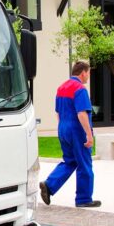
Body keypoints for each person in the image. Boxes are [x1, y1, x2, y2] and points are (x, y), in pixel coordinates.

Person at [40, 60, 100, 208]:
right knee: (85, 163)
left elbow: (58, 112)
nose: (88, 77)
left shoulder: (61, 88)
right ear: (83, 72)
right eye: (88, 73)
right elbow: (81, 114)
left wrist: (62, 129)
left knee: (70, 161)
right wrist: (89, 134)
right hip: (76, 130)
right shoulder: (79, 89)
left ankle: (49, 185)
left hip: (63, 128)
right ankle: (84, 199)